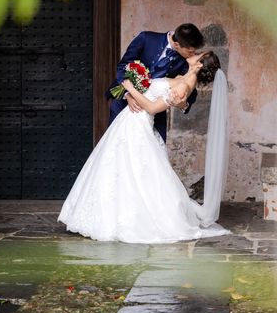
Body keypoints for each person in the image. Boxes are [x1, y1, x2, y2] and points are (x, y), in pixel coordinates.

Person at [58, 52, 229, 243]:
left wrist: (131, 88)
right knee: (119, 169)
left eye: (198, 54)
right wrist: (131, 93)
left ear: (199, 65)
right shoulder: (181, 79)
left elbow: (152, 108)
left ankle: (125, 220)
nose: (193, 53)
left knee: (133, 171)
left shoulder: (183, 87)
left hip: (138, 125)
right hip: (130, 122)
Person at [107, 23, 205, 142]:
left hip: (155, 113)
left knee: (156, 150)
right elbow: (124, 66)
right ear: (177, 44)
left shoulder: (186, 62)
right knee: (116, 145)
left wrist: (183, 104)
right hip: (124, 104)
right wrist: (128, 93)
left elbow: (190, 89)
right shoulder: (146, 38)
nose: (193, 55)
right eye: (190, 51)